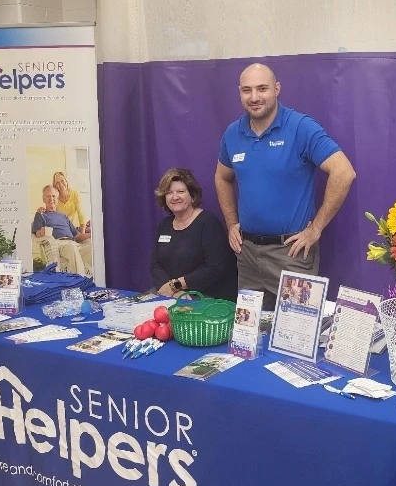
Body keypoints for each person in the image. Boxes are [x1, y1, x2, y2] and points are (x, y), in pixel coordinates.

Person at [214, 62, 356, 310]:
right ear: (239, 92)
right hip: (246, 256)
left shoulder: (300, 127)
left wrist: (316, 229)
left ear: (277, 89)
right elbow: (222, 177)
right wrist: (230, 223)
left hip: (290, 256)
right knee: (252, 338)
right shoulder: (232, 133)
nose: (255, 97)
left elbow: (344, 172)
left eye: (262, 89)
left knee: (295, 337)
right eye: (247, 90)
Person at [150, 167, 237, 302]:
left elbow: (216, 268)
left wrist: (175, 286)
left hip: (206, 296)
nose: (175, 197)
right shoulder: (164, 225)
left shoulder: (208, 222)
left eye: (180, 191)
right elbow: (155, 264)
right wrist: (169, 289)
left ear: (192, 195)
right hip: (170, 293)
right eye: (169, 193)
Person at [32, 185, 92, 275]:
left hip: (74, 243)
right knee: (71, 248)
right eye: (48, 196)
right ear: (44, 199)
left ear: (57, 198)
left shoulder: (64, 216)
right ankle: (78, 281)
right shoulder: (40, 214)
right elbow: (37, 234)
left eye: (53, 196)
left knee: (92, 248)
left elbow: (78, 236)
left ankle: (95, 280)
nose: (51, 199)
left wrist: (93, 234)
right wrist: (42, 232)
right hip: (59, 244)